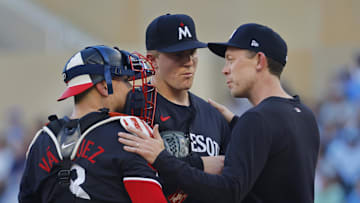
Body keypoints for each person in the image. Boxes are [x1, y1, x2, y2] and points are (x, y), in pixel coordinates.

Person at [118, 23, 320, 203]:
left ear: (259, 61)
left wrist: (162, 159)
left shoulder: (257, 120)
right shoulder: (304, 115)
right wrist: (238, 125)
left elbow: (228, 191)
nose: (225, 70)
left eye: (231, 60)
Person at [18, 45, 168, 203]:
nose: (130, 88)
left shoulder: (41, 140)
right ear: (104, 86)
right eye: (125, 80)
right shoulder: (129, 134)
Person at [124, 13, 232, 203]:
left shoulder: (213, 115)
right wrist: (199, 165)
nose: (188, 62)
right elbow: (127, 174)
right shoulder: (134, 105)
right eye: (178, 55)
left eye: (192, 53)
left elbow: (230, 185)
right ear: (152, 60)